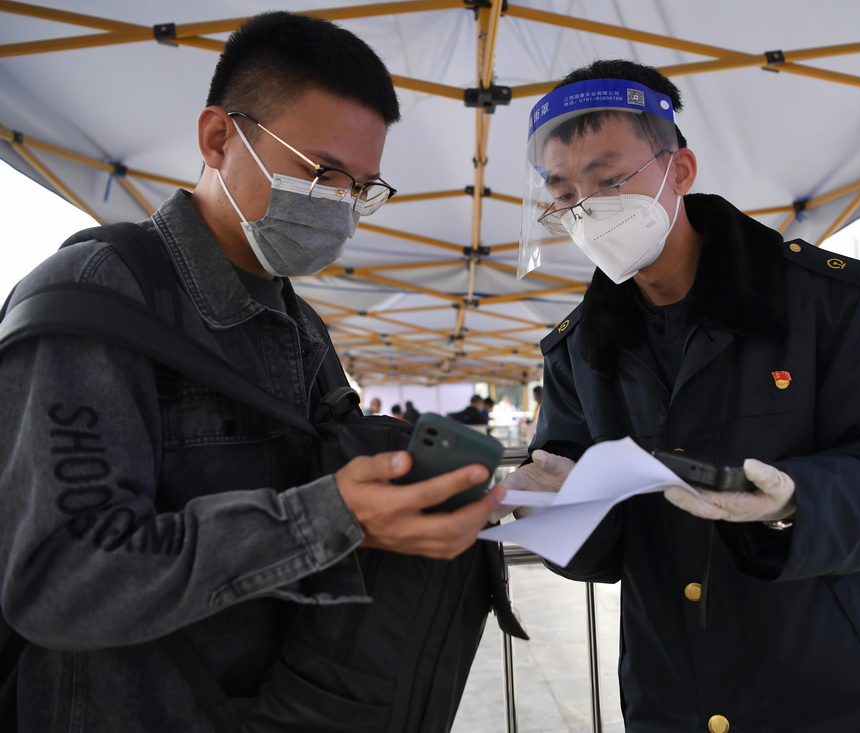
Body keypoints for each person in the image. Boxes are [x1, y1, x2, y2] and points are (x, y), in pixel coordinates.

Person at [0, 12, 505, 732]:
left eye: (361, 186)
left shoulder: (302, 325)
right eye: (320, 171)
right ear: (218, 137)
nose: (340, 204)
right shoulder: (98, 295)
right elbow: (62, 578)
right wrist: (331, 517)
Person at [504, 59, 860, 732]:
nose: (588, 208)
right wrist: (554, 512)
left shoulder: (821, 301)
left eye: (610, 181)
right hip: (673, 697)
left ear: (681, 170)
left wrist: (795, 504)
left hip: (829, 691)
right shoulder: (582, 351)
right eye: (565, 190)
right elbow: (603, 550)